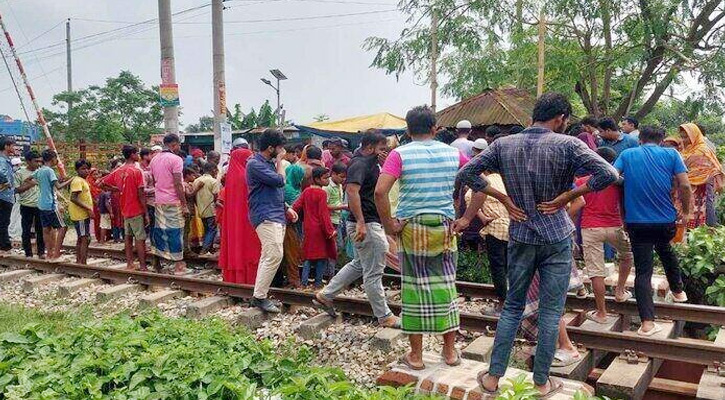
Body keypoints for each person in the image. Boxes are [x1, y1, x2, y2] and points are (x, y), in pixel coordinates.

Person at [457, 93, 618, 396]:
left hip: (520, 235)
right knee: (551, 310)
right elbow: (608, 174)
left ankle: (492, 378)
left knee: (512, 308)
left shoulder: (503, 144)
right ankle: (542, 382)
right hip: (556, 236)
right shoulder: (569, 144)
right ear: (560, 118)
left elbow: (467, 173)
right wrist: (567, 197)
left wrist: (503, 197)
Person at [376, 106, 469, 369]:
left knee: (414, 289)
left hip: (411, 227)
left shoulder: (399, 154)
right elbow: (480, 182)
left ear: (407, 130)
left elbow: (380, 192)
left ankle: (416, 356)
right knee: (446, 286)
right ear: (435, 129)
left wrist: (388, 226)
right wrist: (465, 218)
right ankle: (449, 353)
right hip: (444, 228)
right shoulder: (454, 153)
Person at [313, 130, 399, 328]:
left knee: (359, 264)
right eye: (381, 149)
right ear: (370, 147)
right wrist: (361, 222)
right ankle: (384, 316)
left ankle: (325, 295)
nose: (384, 152)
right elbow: (352, 191)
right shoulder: (359, 163)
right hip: (366, 223)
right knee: (374, 271)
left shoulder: (369, 161)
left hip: (366, 221)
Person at [614, 125, 691, 336]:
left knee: (643, 271)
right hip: (665, 220)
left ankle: (647, 323)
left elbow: (612, 176)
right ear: (662, 139)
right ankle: (678, 291)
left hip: (636, 222)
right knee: (665, 248)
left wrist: (627, 185)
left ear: (640, 139)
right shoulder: (672, 153)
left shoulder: (627, 154)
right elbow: (685, 185)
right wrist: (686, 211)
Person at [575, 147, 634, 324]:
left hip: (590, 228)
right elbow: (624, 205)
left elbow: (577, 203)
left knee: (596, 272)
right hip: (615, 225)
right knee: (627, 256)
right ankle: (620, 291)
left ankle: (601, 313)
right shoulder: (618, 182)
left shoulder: (582, 182)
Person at [247, 129, 298, 313]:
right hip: (266, 215)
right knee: (273, 255)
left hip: (276, 213)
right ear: (271, 148)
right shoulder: (255, 164)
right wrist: (280, 162)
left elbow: (274, 191)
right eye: (280, 148)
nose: (282, 151)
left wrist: (286, 208)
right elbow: (279, 181)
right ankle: (259, 297)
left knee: (269, 254)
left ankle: (259, 295)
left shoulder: (266, 163)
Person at [465, 170, 509, 316]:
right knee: (513, 267)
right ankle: (518, 303)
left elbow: (469, 198)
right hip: (514, 227)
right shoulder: (504, 178)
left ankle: (503, 304)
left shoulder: (480, 184)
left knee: (498, 268)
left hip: (495, 229)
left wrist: (481, 216)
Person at [100, 145, 148, 270]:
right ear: (132, 154)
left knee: (128, 237)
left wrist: (116, 189)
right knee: (140, 238)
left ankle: (130, 263)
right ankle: (143, 266)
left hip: (124, 209)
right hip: (136, 209)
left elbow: (100, 183)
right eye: (136, 153)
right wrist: (146, 212)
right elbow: (141, 193)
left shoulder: (118, 170)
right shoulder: (137, 171)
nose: (138, 155)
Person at [219, 148, 261, 284]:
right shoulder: (246, 176)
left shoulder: (231, 176)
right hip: (247, 219)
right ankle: (249, 281)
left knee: (235, 246)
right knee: (249, 248)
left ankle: (234, 280)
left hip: (234, 219)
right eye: (248, 159)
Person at [149, 133, 189, 274]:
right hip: (173, 200)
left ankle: (157, 262)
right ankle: (178, 264)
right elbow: (178, 184)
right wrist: (184, 205)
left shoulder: (153, 160)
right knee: (176, 231)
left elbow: (154, 181)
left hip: (159, 200)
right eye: (178, 145)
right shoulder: (176, 159)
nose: (179, 147)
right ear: (174, 144)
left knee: (159, 231)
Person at [293, 167, 337, 287]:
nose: (328, 180)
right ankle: (318, 283)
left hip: (307, 227)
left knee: (308, 256)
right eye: (325, 178)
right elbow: (323, 214)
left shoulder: (306, 191)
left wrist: (290, 214)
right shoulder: (322, 193)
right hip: (319, 229)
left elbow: (296, 205)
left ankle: (304, 282)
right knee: (321, 256)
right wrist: (330, 230)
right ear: (317, 179)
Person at [678, 123, 723, 228]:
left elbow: (703, 169)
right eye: (682, 137)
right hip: (686, 186)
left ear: (694, 135)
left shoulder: (701, 150)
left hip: (698, 187)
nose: (683, 140)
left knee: (695, 212)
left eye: (686, 137)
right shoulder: (689, 149)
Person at [32, 150, 70, 261]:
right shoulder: (49, 171)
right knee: (63, 228)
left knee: (46, 230)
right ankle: (56, 254)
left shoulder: (39, 171)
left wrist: (39, 184)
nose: (57, 160)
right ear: (52, 158)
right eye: (56, 158)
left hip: (41, 204)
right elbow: (58, 186)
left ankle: (49, 253)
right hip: (50, 204)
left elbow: (28, 179)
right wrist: (71, 179)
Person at [15, 150, 44, 258]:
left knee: (40, 230)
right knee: (26, 230)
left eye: (40, 161)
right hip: (26, 205)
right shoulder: (20, 173)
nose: (38, 163)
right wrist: (30, 184)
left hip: (40, 205)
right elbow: (16, 189)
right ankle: (28, 254)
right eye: (36, 161)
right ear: (28, 161)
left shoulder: (41, 171)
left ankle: (41, 252)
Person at [68, 159, 94, 264]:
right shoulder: (78, 181)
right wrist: (88, 208)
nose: (86, 171)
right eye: (83, 169)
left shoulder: (82, 180)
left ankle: (79, 261)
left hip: (82, 214)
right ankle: (82, 262)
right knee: (85, 238)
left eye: (88, 168)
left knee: (82, 237)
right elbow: (73, 198)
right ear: (77, 170)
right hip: (80, 215)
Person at [325, 162, 347, 275]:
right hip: (330, 220)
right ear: (333, 174)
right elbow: (324, 206)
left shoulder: (339, 185)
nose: (343, 179)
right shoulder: (327, 187)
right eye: (341, 176)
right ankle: (330, 274)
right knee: (334, 247)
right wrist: (342, 206)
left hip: (338, 219)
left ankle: (331, 272)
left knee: (338, 247)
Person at [194, 162, 221, 254]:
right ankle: (205, 249)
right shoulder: (213, 181)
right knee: (212, 229)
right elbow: (216, 196)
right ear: (213, 170)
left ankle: (209, 247)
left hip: (200, 209)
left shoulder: (196, 180)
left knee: (207, 229)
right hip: (211, 209)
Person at [0, 137, 16, 253]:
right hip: (3, 195)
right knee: (4, 220)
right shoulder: (2, 160)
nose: (14, 148)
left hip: (6, 195)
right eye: (12, 145)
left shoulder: (6, 160)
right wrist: (8, 183)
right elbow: (2, 172)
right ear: (6, 146)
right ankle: (4, 245)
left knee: (4, 220)